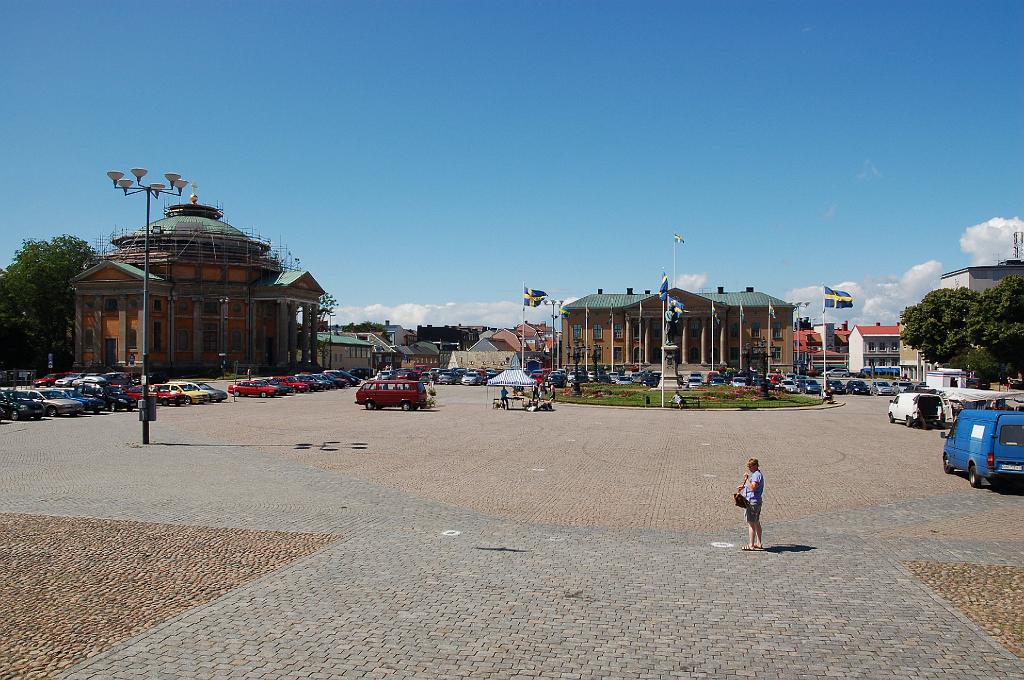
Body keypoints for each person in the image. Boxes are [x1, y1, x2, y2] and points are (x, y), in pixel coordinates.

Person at [736, 457, 764, 551]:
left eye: (750, 466)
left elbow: (752, 488)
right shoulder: (757, 474)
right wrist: (744, 486)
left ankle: (751, 545)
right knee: (756, 522)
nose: (749, 468)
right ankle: (759, 543)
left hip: (752, 503)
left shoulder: (756, 475)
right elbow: (752, 486)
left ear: (755, 466)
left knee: (751, 524)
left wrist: (746, 479)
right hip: (756, 502)